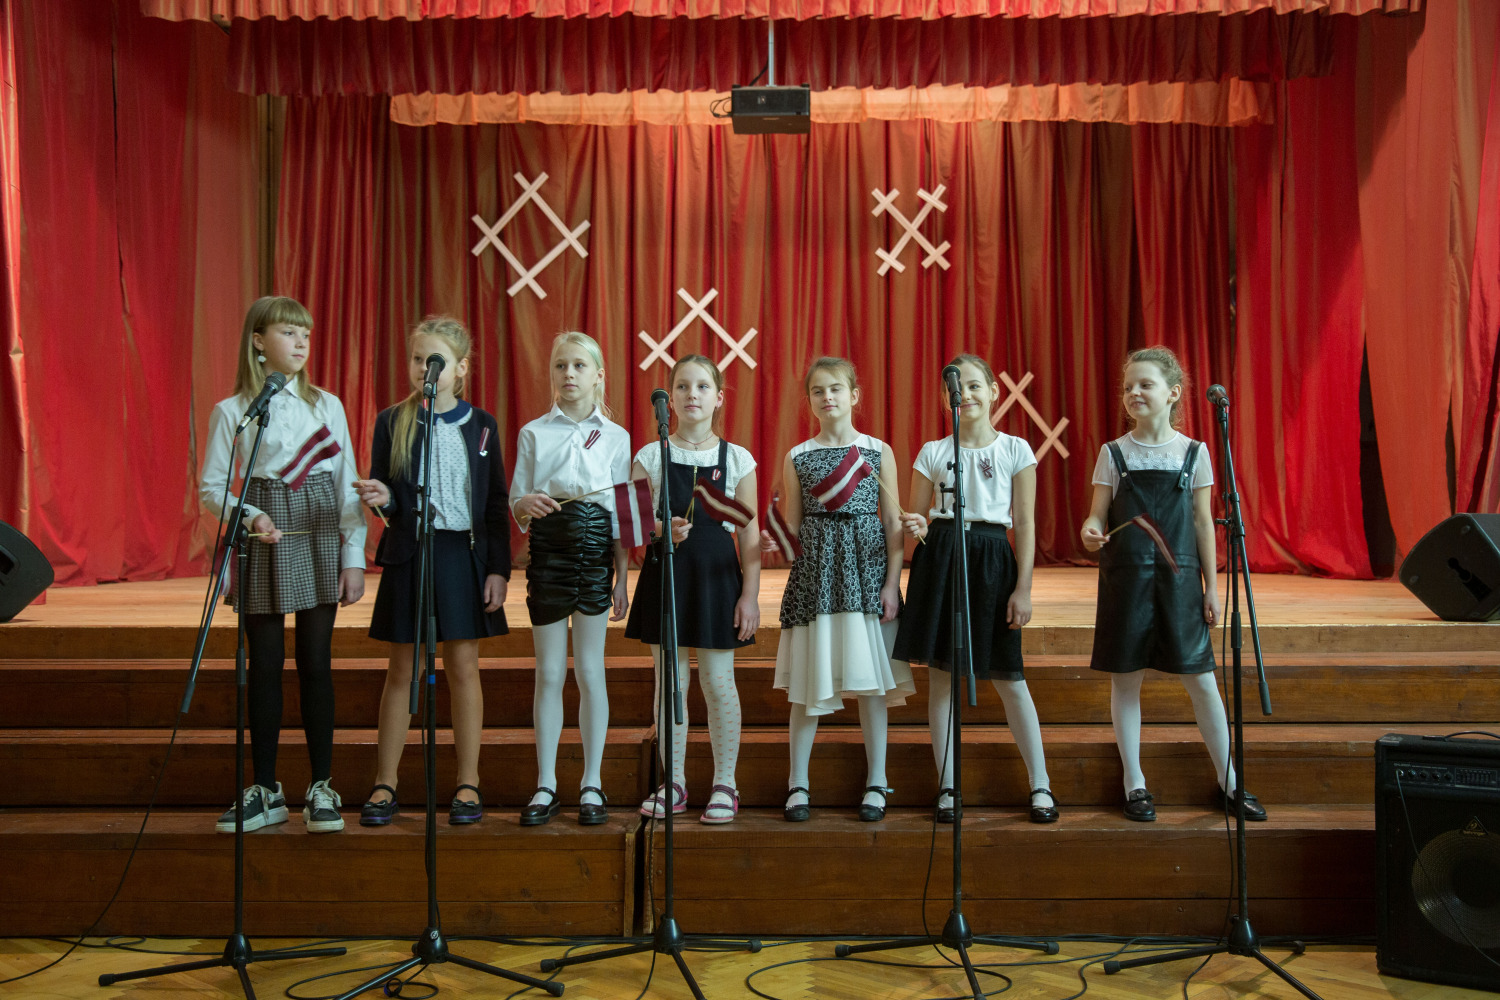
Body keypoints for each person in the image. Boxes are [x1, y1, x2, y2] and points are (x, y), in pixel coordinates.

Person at [200, 295, 366, 834]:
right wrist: (249, 514)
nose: (300, 343)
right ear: (258, 341)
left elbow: (346, 484)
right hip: (265, 538)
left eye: (305, 335)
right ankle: (266, 787)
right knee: (265, 663)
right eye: (289, 333)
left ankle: (321, 786)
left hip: (317, 534)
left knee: (316, 661)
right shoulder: (234, 411)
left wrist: (353, 557)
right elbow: (212, 487)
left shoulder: (327, 406)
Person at [1080, 346, 1266, 822]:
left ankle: (1229, 781)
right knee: (1127, 681)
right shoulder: (1113, 453)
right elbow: (1096, 516)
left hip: (1179, 581)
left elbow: (1203, 523)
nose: (1134, 393)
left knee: (1202, 680)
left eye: (1146, 384)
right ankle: (1134, 782)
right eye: (1128, 387)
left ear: (1174, 393)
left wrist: (1212, 588)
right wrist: (1091, 531)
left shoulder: (1196, 453)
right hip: (1126, 582)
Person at [353, 316, 510, 827]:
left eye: (437, 360)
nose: (426, 368)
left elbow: (494, 502)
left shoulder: (482, 424)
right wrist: (384, 497)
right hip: (411, 554)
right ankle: (385, 782)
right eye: (419, 359)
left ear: (461, 368)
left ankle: (468, 781)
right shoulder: (392, 421)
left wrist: (498, 569)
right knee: (402, 670)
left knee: (463, 668)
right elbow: (387, 496)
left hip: (463, 556)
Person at [893, 354, 1057, 823]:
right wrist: (917, 525)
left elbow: (1025, 523)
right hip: (941, 560)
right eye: (954, 387)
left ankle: (1040, 784)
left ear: (993, 391)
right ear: (944, 396)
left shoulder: (1016, 449)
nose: (963, 394)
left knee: (1010, 677)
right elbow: (918, 524)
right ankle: (948, 786)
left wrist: (1023, 588)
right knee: (942, 677)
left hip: (991, 559)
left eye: (973, 385)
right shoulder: (932, 451)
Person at [767, 356, 913, 823]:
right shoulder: (797, 455)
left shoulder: (877, 450)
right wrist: (777, 540)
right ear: (809, 400)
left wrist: (892, 583)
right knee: (808, 685)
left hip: (866, 575)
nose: (826, 397)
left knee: (871, 685)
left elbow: (892, 523)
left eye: (835, 388)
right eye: (817, 390)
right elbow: (793, 526)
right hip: (817, 578)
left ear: (854, 395)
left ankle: (877, 781)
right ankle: (798, 783)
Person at [626, 355, 760, 825]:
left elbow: (750, 535)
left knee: (718, 682)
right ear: (669, 399)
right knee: (672, 683)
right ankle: (675, 781)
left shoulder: (738, 459)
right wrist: (661, 531)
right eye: (682, 386)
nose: (691, 395)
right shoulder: (648, 456)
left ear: (719, 397)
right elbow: (633, 526)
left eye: (702, 386)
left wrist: (749, 596)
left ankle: (726, 782)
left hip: (717, 578)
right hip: (667, 575)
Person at [509, 332, 631, 826]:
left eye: (580, 365)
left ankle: (592, 782)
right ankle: (546, 784)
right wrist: (524, 504)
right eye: (561, 365)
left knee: (590, 671)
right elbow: (518, 502)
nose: (569, 374)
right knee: (549, 673)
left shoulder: (618, 437)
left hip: (596, 554)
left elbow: (623, 514)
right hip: (550, 554)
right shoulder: (533, 433)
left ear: (598, 375)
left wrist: (622, 578)